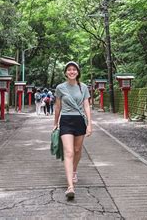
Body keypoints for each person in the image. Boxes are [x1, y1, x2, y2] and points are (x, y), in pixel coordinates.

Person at [54, 61, 92, 200]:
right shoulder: (60, 88)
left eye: (74, 69)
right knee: (69, 152)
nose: (71, 71)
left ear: (77, 72)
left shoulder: (83, 87)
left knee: (77, 150)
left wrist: (89, 124)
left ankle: (74, 170)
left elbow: (86, 105)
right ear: (65, 72)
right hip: (66, 121)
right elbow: (58, 106)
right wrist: (55, 123)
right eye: (69, 69)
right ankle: (70, 186)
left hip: (79, 121)